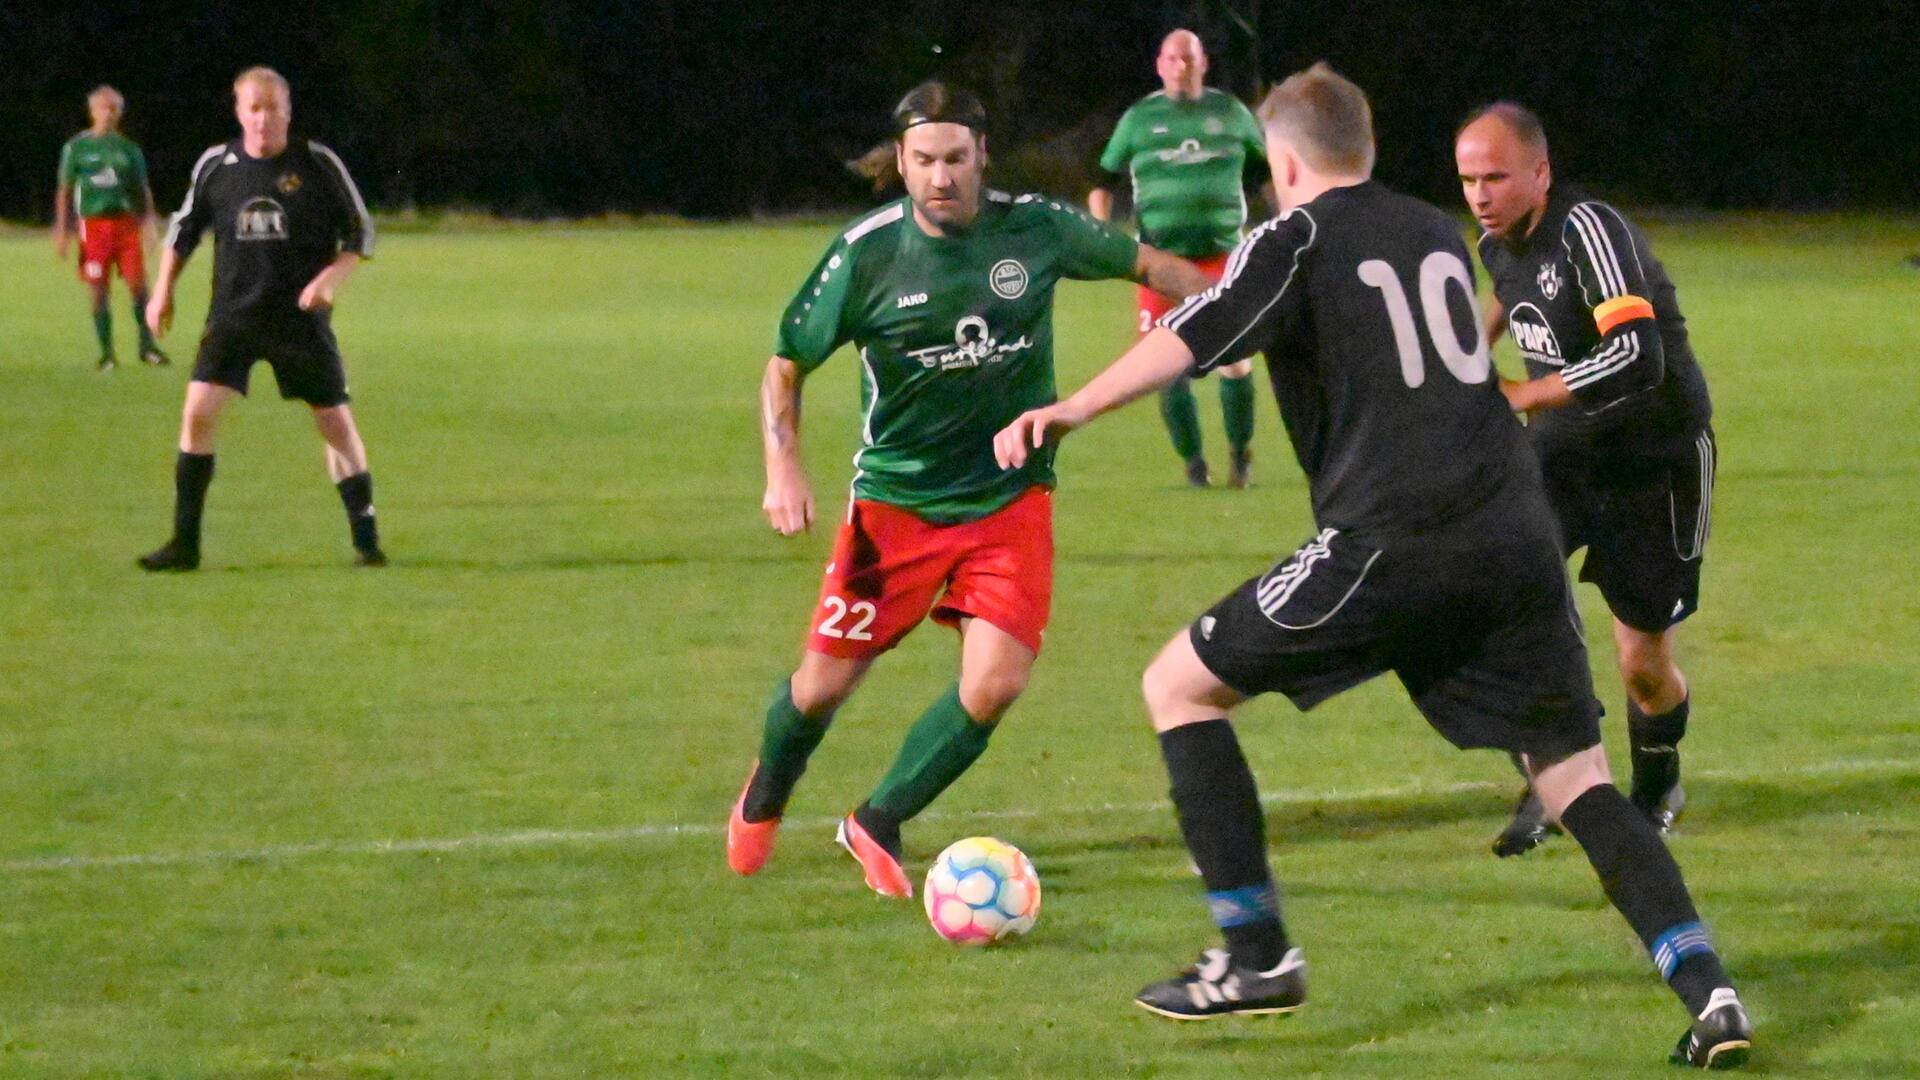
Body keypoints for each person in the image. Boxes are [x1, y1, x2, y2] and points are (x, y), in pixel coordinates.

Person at [996, 64, 1750, 1069]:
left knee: (1177, 685)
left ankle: (1254, 953)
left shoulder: (1297, 232)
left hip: (1395, 536)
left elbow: (1200, 326)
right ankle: (1712, 993)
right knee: (1575, 779)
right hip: (1516, 536)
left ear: (1285, 160)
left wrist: (1071, 408)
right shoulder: (1437, 231)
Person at [726, 82, 1212, 899]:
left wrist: (1233, 306)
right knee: (821, 688)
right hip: (898, 506)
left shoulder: (1039, 228)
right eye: (924, 161)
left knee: (996, 682)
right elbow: (785, 365)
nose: (941, 176)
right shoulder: (867, 254)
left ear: (982, 155)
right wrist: (784, 467)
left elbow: (1151, 263)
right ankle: (767, 790)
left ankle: (877, 820)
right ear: (902, 162)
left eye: (956, 158)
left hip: (1010, 498)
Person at [1456, 103, 1716, 857]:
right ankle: (1553, 777)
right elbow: (1510, 290)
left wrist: (1519, 393)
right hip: (1562, 457)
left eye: (1496, 176)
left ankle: (1657, 779)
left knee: (1642, 666)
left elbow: (1638, 353)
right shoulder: (1498, 240)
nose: (1479, 193)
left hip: (1653, 463)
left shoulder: (1588, 230)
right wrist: (1464, 355)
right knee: (1493, 607)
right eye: (1469, 178)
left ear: (1541, 171)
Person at [139, 67, 383, 572]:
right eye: (254, 108)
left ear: (288, 111)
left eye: (273, 108)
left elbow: (362, 232)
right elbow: (183, 231)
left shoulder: (317, 164)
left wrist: (331, 279)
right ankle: (185, 545)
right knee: (198, 413)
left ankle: (367, 539)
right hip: (234, 315)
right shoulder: (217, 165)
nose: (263, 118)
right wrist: (162, 291)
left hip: (298, 320)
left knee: (334, 423)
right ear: (238, 111)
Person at [1090, 29, 1269, 488]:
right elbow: (1102, 180)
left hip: (1223, 258)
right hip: (1158, 263)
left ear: (1203, 63)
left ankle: (1240, 457)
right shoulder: (1140, 118)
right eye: (1173, 58)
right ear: (1159, 64)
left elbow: (1266, 173)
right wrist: (1103, 235)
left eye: (1189, 58)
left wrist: (1290, 217)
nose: (1181, 66)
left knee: (1236, 361)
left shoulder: (1230, 113)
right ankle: (1194, 465)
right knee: (1164, 368)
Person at [53, 86, 168, 370]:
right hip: (93, 228)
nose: (108, 113)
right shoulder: (77, 148)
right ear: (92, 111)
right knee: (98, 289)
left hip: (126, 226)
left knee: (139, 287)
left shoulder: (128, 150)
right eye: (103, 108)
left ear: (120, 113)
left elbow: (142, 190)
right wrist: (62, 230)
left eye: (114, 108)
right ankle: (107, 354)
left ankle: (147, 348)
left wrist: (149, 224)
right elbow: (65, 191)